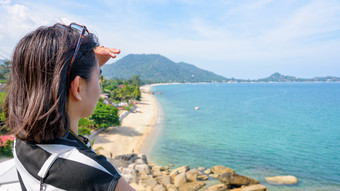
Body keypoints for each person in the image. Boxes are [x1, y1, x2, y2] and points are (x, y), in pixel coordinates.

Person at [5, 23, 135, 190]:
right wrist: (86, 64)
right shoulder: (95, 175)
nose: (100, 85)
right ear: (78, 87)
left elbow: (42, 78)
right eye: (99, 77)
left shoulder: (21, 141)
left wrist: (85, 65)